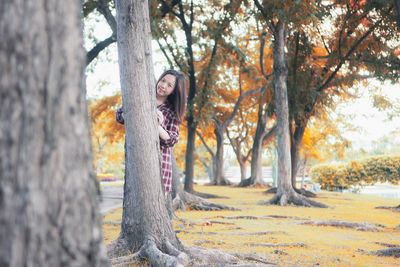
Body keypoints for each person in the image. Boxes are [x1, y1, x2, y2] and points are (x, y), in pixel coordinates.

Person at [115, 70, 186, 193]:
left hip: (160, 163)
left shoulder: (171, 110)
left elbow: (172, 140)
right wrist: (140, 116)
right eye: (163, 80)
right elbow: (120, 115)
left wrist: (157, 125)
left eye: (169, 85)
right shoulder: (143, 98)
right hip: (137, 156)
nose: (163, 85)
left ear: (174, 90)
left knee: (156, 199)